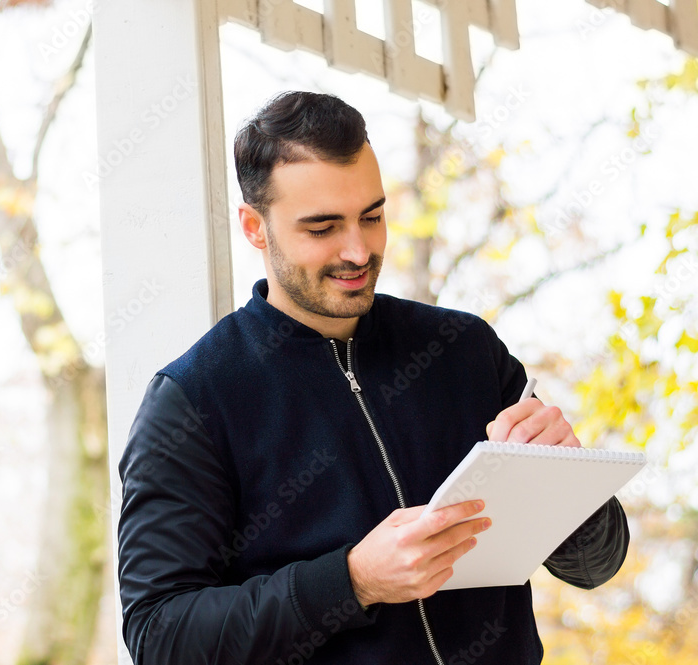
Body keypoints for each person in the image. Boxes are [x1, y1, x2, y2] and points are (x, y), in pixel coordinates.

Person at [116, 91, 628, 665]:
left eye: (373, 216)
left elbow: (595, 565)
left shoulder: (464, 349)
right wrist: (352, 582)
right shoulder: (193, 400)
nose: (358, 250)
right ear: (255, 227)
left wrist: (565, 481)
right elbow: (160, 635)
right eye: (323, 228)